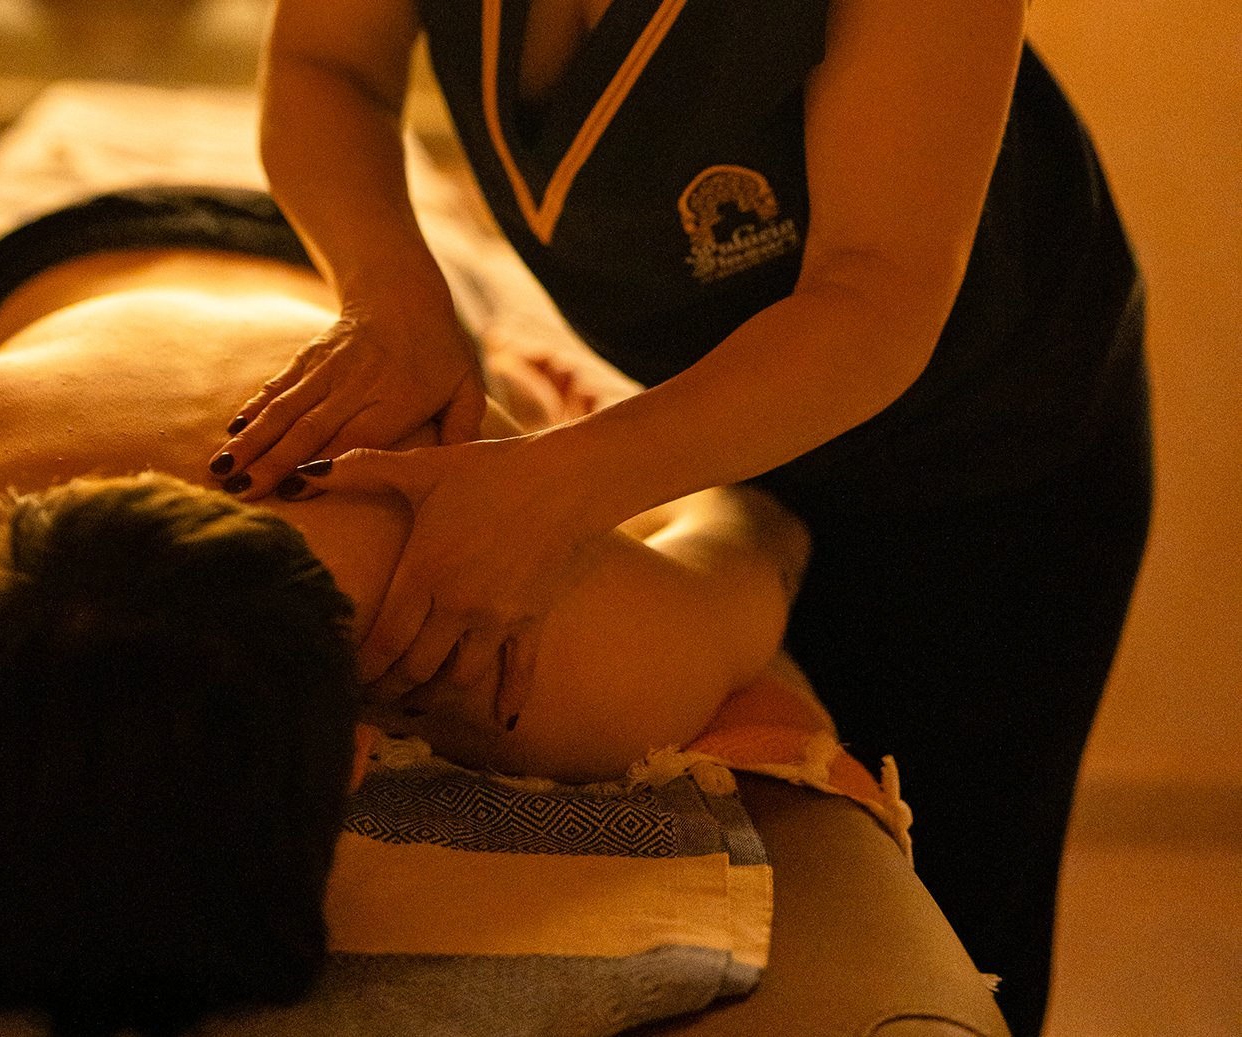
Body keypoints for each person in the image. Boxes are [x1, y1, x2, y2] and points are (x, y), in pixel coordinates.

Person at [0, 187, 809, 1035]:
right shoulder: (526, 649)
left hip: (122, 274)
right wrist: (586, 459)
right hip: (373, 312)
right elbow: (762, 528)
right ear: (353, 754)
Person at [228, 2, 1152, 1032]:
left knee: (966, 906)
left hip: (986, 454)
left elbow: (876, 292)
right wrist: (392, 295)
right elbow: (326, 67)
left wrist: (559, 484)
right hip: (707, 413)